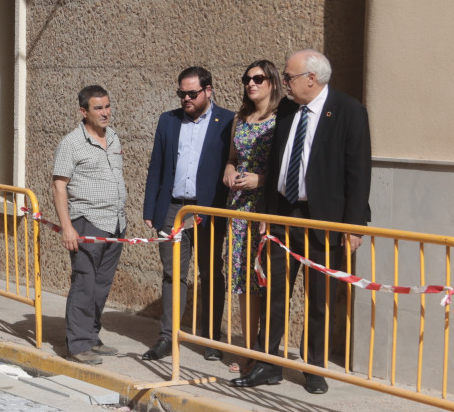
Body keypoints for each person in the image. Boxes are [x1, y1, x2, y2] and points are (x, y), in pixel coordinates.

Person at [231, 50, 371, 395]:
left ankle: (313, 367)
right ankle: (268, 363)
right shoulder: (289, 110)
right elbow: (278, 163)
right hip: (282, 215)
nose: (283, 83)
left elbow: (359, 172)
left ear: (312, 78)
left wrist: (353, 225)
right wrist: (266, 215)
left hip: (322, 219)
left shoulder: (349, 111)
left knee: (318, 297)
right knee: (274, 291)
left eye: (289, 77)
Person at [141, 66, 235, 361]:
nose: (186, 98)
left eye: (192, 93)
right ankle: (168, 337)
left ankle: (211, 339)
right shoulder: (168, 121)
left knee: (210, 273)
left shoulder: (228, 121)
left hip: (207, 208)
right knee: (172, 274)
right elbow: (156, 166)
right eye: (181, 93)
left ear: (209, 90)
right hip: (172, 208)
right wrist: (150, 208)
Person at [51, 85, 127, 365]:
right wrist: (67, 227)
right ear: (84, 111)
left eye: (107, 106)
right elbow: (60, 186)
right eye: (98, 108)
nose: (105, 112)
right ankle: (78, 344)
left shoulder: (115, 138)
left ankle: (92, 337)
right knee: (84, 283)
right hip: (87, 223)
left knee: (101, 286)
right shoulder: (71, 143)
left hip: (115, 223)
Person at [218, 60, 284, 373]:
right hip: (239, 209)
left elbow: (288, 167)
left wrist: (260, 179)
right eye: (247, 79)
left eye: (258, 78)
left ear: (272, 82)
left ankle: (264, 350)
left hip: (267, 207)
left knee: (266, 278)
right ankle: (246, 349)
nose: (250, 84)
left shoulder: (282, 119)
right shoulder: (240, 118)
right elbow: (232, 158)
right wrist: (229, 172)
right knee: (243, 279)